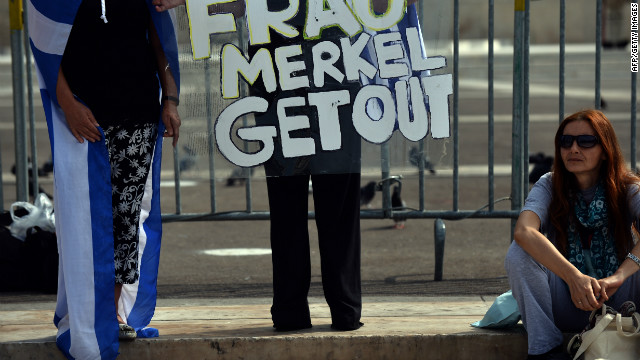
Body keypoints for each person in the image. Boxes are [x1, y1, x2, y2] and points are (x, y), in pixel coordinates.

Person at [153, 0, 416, 331]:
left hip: (324, 70)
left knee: (325, 196)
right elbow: (235, 5)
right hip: (289, 72)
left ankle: (330, 309)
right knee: (295, 198)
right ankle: (307, 309)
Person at [28, 0, 181, 358]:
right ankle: (86, 314)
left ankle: (110, 314)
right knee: (87, 221)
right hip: (83, 121)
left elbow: (161, 40)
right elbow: (44, 47)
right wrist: (67, 104)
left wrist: (170, 98)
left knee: (124, 220)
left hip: (138, 114)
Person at [505, 109, 640, 359]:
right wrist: (574, 277)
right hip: (566, 299)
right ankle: (545, 350)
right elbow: (524, 231)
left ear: (605, 150)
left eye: (586, 141)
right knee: (519, 253)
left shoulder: (627, 187)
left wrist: (620, 275)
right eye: (566, 142)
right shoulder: (549, 183)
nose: (574, 149)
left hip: (621, 299)